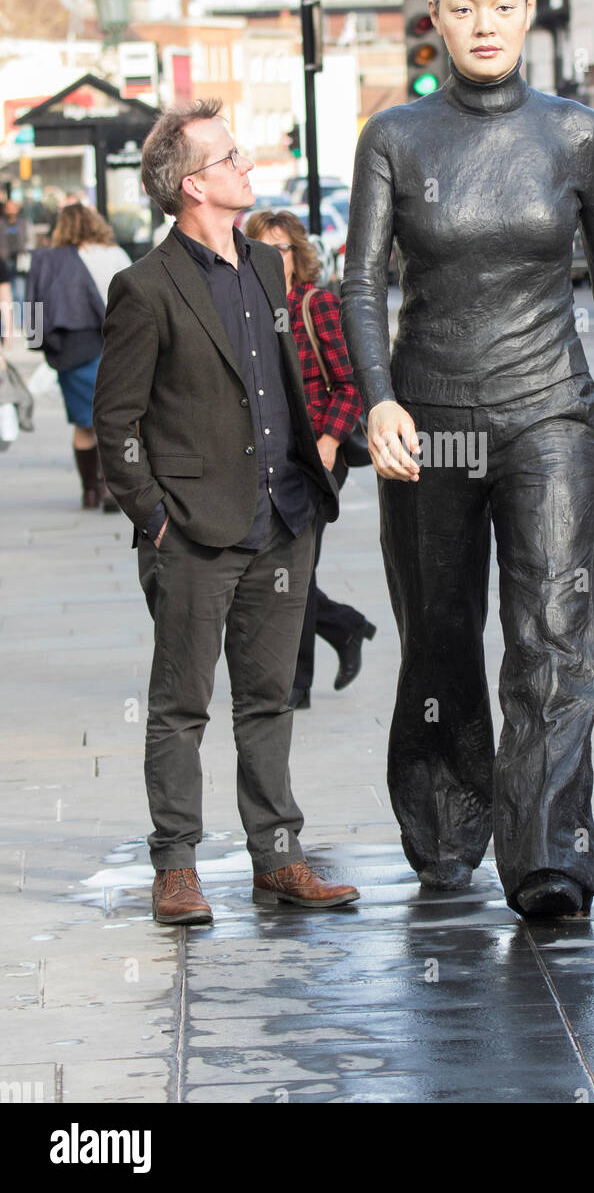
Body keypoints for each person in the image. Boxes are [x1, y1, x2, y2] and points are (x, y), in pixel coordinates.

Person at [341, 0, 594, 920]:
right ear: (432, 18)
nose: (483, 23)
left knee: (552, 632)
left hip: (546, 416)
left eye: (501, 3)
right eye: (461, 6)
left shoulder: (572, 135)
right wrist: (377, 398)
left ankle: (547, 855)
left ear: (528, 10)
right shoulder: (395, 137)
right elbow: (358, 281)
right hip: (431, 420)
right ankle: (445, 833)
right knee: (439, 633)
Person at [92, 99, 359, 924]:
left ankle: (277, 856)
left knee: (269, 697)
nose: (247, 165)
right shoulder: (144, 287)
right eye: (232, 157)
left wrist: (317, 465)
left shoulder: (269, 269)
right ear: (193, 182)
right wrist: (157, 519)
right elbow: (115, 420)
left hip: (284, 521)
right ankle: (176, 866)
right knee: (180, 705)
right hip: (196, 534)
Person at [245, 209, 375, 711]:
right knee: (278, 567)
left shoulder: (314, 304)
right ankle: (344, 627)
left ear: (297, 256)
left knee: (292, 566)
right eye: (259, 248)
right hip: (265, 458)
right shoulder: (245, 307)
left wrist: (328, 442)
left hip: (317, 457)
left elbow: (350, 384)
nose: (271, 258)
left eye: (280, 249)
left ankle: (295, 685)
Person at [25, 204, 130, 511]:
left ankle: (90, 491)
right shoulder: (114, 255)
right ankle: (113, 487)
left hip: (71, 347)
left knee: (85, 424)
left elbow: (32, 305)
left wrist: (39, 343)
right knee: (115, 419)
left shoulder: (49, 260)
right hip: (114, 344)